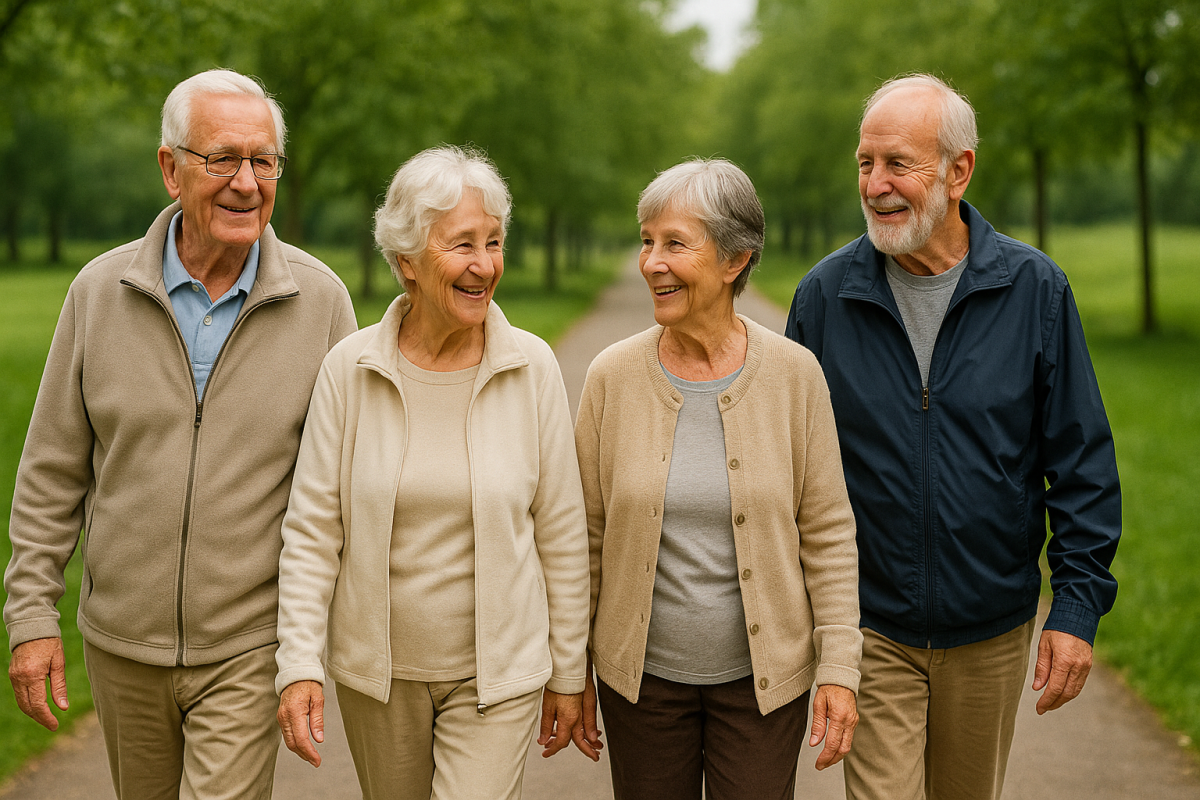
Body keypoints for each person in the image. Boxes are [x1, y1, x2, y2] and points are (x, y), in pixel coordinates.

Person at [3, 69, 356, 799]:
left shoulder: (321, 302)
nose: (246, 182)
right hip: (121, 643)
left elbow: (348, 482)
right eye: (222, 159)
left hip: (248, 644)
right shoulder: (99, 294)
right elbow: (51, 472)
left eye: (264, 161)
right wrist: (33, 615)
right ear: (171, 169)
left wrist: (311, 649)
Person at [785, 74, 1122, 800]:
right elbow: (793, 474)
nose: (874, 184)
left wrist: (1076, 608)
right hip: (870, 627)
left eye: (896, 164)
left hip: (992, 629)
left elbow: (1082, 462)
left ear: (958, 169)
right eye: (864, 163)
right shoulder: (824, 296)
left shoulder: (1036, 290)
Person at [273, 145, 591, 800]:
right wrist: (299, 665)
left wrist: (568, 669)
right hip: (377, 679)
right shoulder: (349, 370)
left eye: (494, 242)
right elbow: (311, 535)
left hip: (496, 680)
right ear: (407, 262)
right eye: (462, 245)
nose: (484, 265)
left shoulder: (532, 369)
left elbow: (562, 533)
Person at [574, 158, 862, 800]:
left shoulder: (795, 376)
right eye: (647, 241)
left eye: (675, 243)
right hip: (642, 687)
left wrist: (839, 667)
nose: (652, 262)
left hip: (762, 689)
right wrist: (570, 672)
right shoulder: (611, 378)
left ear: (735, 260)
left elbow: (828, 535)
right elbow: (583, 541)